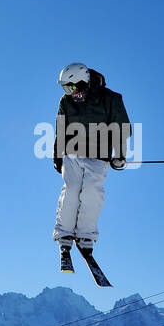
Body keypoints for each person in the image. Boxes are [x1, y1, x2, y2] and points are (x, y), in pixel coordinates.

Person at [52, 63, 130, 260]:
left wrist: (120, 155)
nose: (69, 92)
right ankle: (64, 234)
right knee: (71, 190)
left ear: (83, 82)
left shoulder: (110, 98)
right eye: (65, 88)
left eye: (71, 87)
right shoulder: (66, 101)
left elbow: (121, 127)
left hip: (98, 154)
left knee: (91, 192)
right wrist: (57, 155)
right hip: (72, 152)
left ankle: (86, 235)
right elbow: (61, 129)